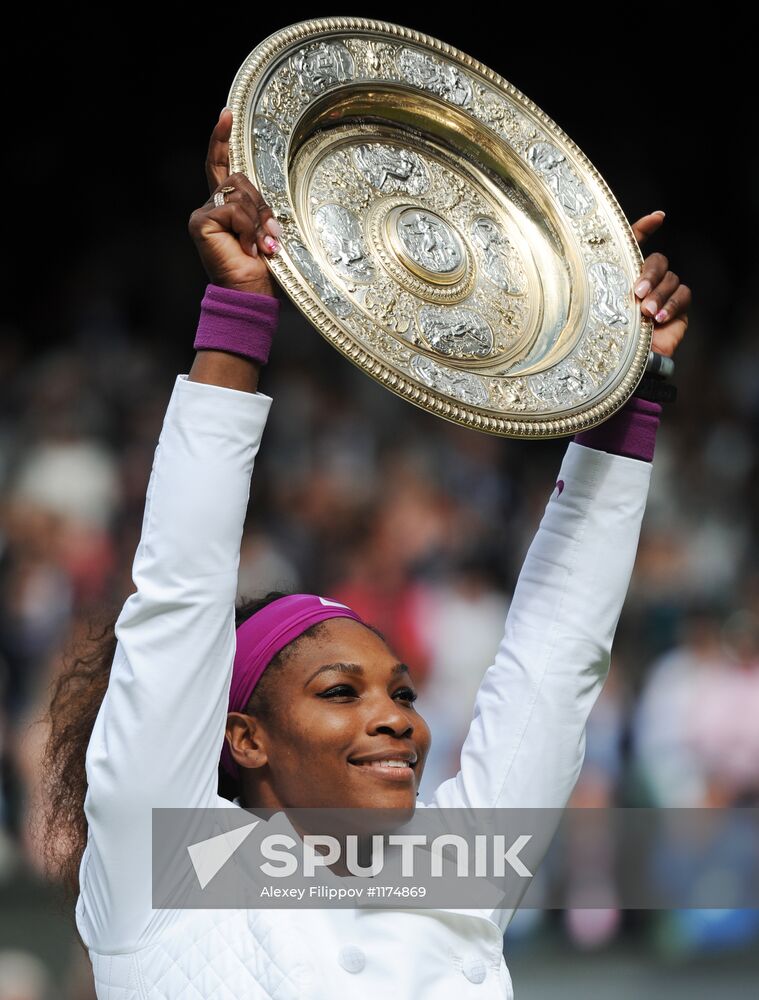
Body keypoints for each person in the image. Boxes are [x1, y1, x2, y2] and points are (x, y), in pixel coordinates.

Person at [39, 107, 689, 998]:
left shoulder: (453, 870)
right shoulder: (164, 868)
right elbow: (179, 592)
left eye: (400, 693)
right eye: (340, 693)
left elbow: (556, 658)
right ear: (244, 738)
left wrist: (628, 385)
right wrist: (238, 313)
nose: (396, 721)